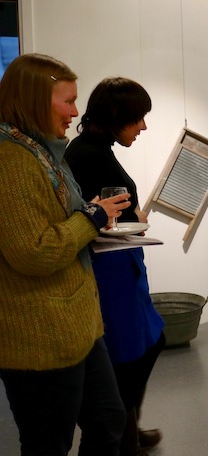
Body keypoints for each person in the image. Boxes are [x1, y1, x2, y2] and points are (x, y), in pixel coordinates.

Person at [0, 53, 132, 456]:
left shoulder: (42, 152)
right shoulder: (11, 161)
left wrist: (91, 218)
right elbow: (33, 252)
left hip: (77, 327)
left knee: (108, 421)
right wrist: (91, 218)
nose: (75, 113)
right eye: (68, 101)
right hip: (40, 337)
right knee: (48, 443)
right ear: (34, 101)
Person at [64, 77, 166, 456]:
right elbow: (95, 216)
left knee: (145, 344)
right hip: (109, 270)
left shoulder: (94, 149)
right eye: (138, 118)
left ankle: (128, 428)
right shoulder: (87, 154)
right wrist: (133, 218)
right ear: (116, 115)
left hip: (120, 264)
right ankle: (125, 436)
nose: (143, 126)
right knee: (129, 354)